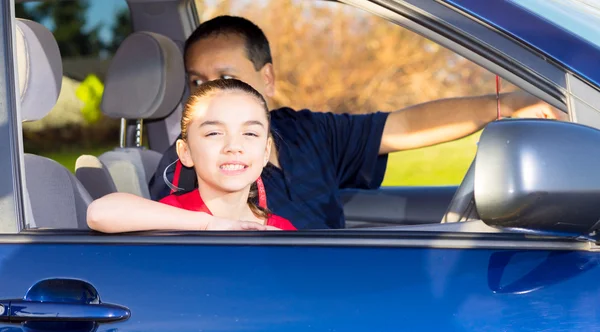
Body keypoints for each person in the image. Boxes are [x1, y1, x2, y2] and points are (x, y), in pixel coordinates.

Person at [102, 15, 560, 231]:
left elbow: (401, 125)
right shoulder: (189, 164)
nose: (209, 90)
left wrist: (503, 106)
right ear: (188, 147)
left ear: (268, 78)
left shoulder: (306, 132)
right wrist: (212, 227)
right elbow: (128, 218)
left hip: (322, 282)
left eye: (225, 77)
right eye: (197, 81)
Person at [87, 79, 296, 232]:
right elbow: (99, 213)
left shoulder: (280, 231)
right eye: (214, 133)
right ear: (185, 152)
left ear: (266, 151)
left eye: (250, 133)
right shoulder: (170, 216)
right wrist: (208, 224)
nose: (234, 146)